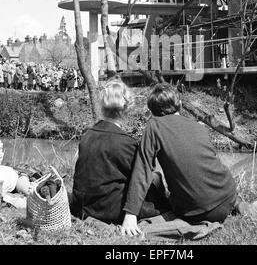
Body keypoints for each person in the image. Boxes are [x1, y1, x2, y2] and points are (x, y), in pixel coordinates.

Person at [121, 83, 237, 236]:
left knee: (170, 206)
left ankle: (197, 224)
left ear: (152, 111)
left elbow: (142, 170)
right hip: (229, 194)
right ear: (180, 104)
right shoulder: (199, 126)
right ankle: (240, 206)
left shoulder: (154, 126)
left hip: (200, 212)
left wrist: (130, 214)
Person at [69, 77, 169, 224]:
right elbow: (141, 179)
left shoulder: (87, 135)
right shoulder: (127, 143)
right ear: (127, 109)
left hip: (82, 206)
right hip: (108, 210)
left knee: (155, 178)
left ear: (102, 106)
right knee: (156, 182)